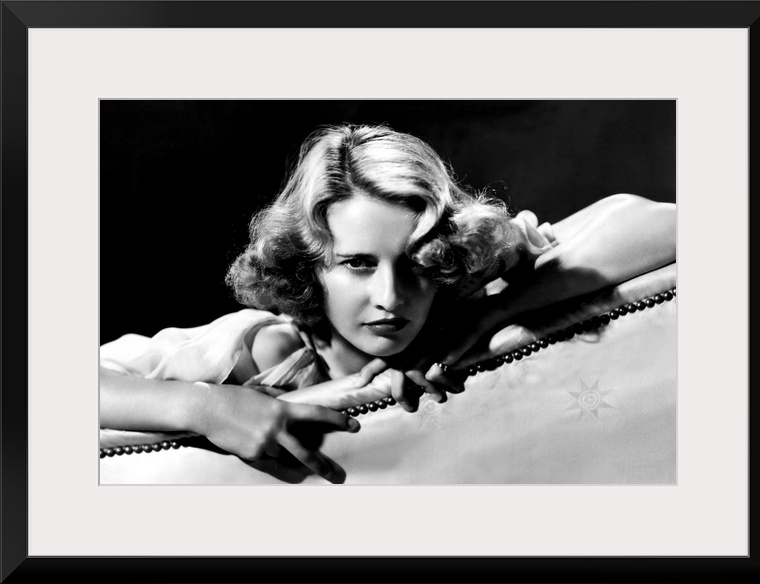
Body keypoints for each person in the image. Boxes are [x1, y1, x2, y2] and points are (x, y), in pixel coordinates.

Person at [100, 124, 676, 483]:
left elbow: (666, 226)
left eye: (415, 261)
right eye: (358, 264)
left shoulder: (466, 291)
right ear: (309, 266)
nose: (391, 297)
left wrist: (490, 314)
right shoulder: (263, 348)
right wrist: (206, 407)